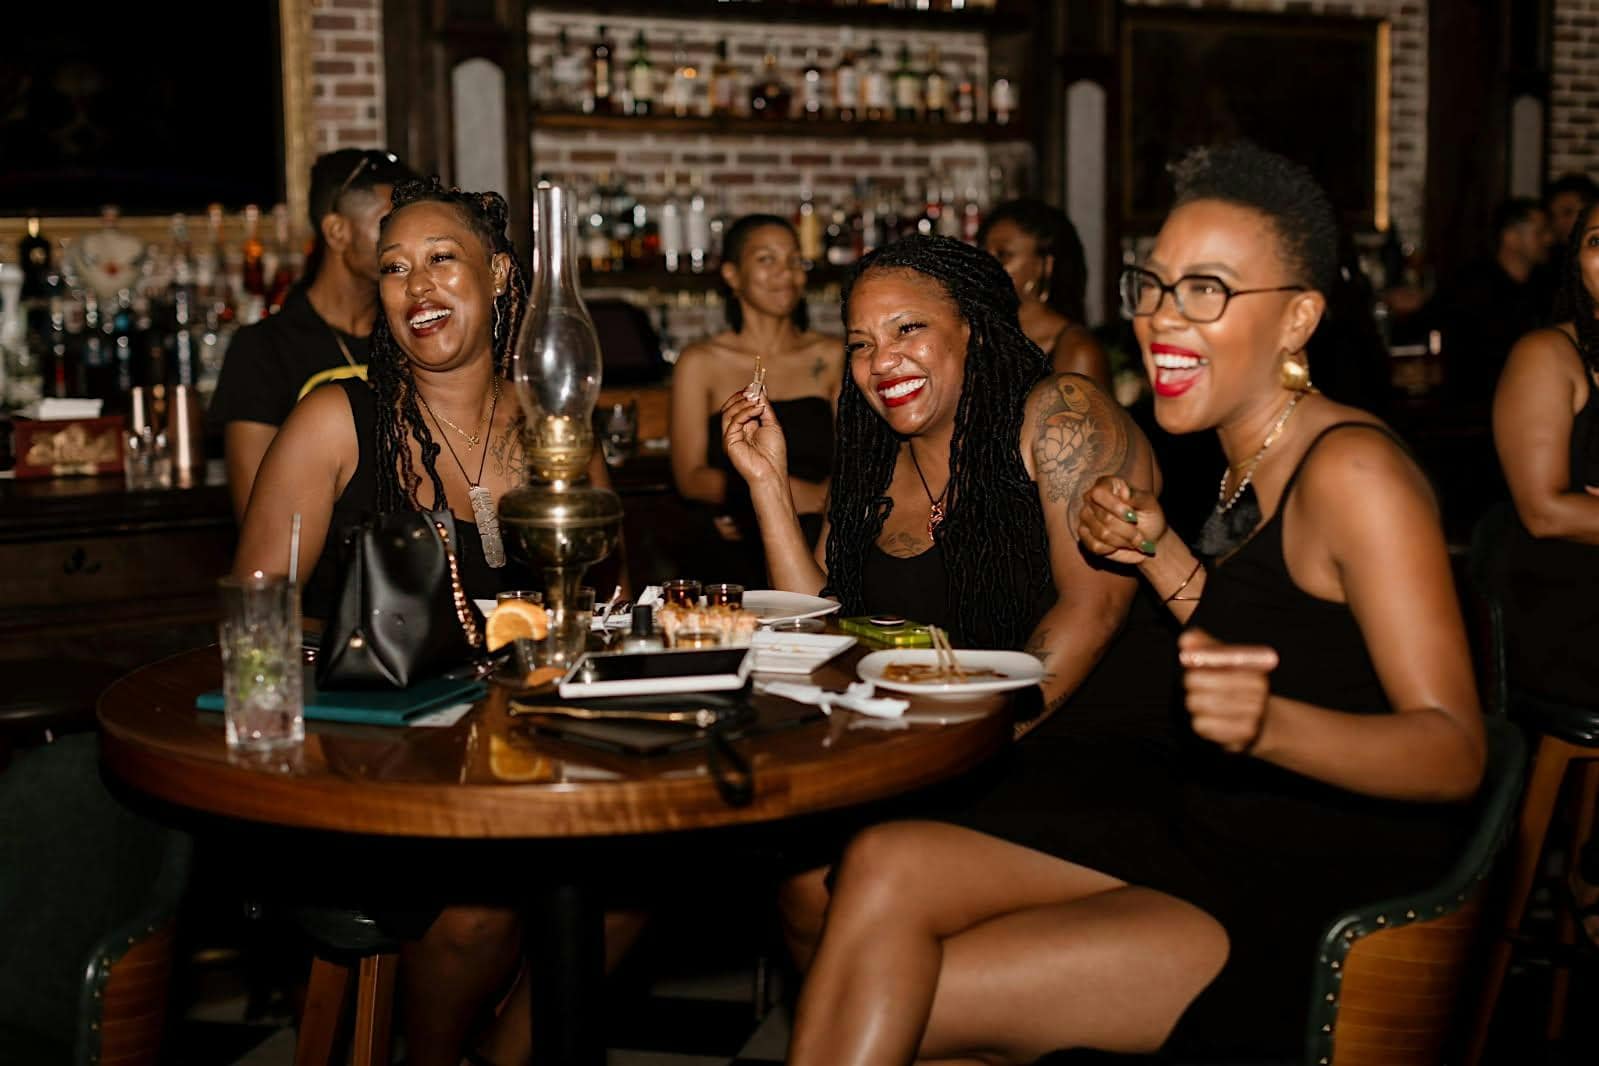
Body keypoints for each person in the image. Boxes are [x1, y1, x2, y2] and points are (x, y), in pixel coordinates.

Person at [784, 143, 1485, 1064]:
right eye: (1151, 287)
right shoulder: (1244, 465)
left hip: (1306, 899)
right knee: (880, 871)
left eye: (1205, 291)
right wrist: (1160, 556)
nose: (1160, 317)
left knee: (880, 995)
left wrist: (1269, 725)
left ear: (1298, 317)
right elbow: (1289, 638)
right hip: (1209, 831)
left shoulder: (1352, 469)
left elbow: (1455, 753)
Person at [232, 178, 630, 1066]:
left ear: (500, 275)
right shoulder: (336, 421)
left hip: (530, 756)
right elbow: (254, 618)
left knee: (649, 874)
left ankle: (505, 1056)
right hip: (376, 771)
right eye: (394, 268)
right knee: (483, 904)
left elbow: (607, 603)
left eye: (442, 260)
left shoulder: (554, 426)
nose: (417, 286)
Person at [719, 233, 1164, 969]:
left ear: (974, 328)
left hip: (1080, 748)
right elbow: (821, 624)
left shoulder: (1059, 416)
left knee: (852, 878)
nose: (881, 361)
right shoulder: (871, 460)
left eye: (907, 329)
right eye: (861, 344)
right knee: (800, 882)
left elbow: (1094, 611)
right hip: (937, 749)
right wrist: (767, 484)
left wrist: (958, 746)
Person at [1493, 196, 1599, 944]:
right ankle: (1590, 885)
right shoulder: (1547, 355)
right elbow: (1544, 510)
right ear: (1576, 260)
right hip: (1562, 608)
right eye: (1598, 241)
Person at [210, 148, 417, 521]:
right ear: (337, 231)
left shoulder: (413, 335)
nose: (406, 239)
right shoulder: (264, 348)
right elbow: (258, 518)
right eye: (389, 224)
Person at [670, 214, 842, 585]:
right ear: (732, 275)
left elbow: (856, 455)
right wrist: (762, 496)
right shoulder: (700, 361)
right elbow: (690, 477)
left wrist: (826, 501)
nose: (786, 272)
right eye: (767, 259)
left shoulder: (831, 356)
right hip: (736, 532)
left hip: (825, 531)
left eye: (795, 260)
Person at [1424, 197, 1555, 416]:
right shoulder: (1471, 287)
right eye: (1540, 232)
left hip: (1534, 399)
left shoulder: (1548, 287)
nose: (1549, 239)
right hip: (1475, 408)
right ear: (1511, 237)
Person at [978, 198, 1111, 388]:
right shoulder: (981, 336)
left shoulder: (1078, 351)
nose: (986, 265)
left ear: (1044, 266)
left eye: (1003, 255)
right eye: (983, 252)